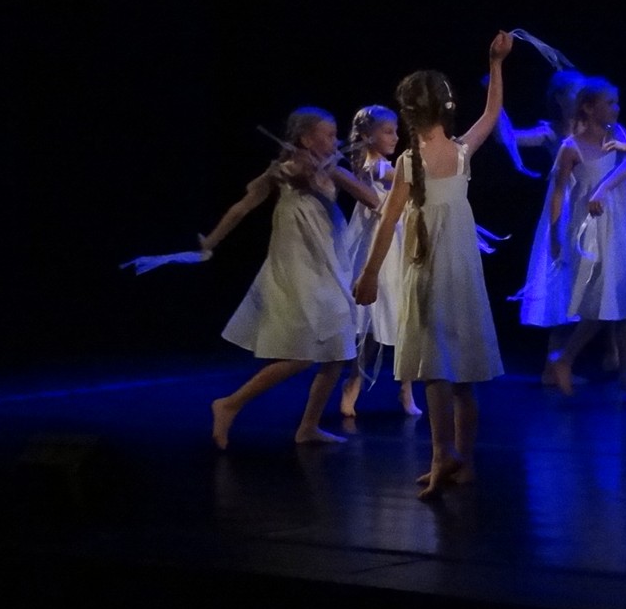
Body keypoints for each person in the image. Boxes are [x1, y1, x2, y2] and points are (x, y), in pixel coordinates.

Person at [354, 31, 513, 497]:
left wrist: (368, 274)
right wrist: (496, 63)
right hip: (459, 271)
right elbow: (493, 113)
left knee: (436, 369)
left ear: (408, 114)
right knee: (459, 374)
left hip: (430, 273)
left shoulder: (411, 161)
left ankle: (445, 456)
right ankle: (460, 459)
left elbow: (387, 222)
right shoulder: (458, 152)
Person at [207, 107, 381, 450]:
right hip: (298, 267)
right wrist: (210, 242)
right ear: (305, 139)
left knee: (337, 351)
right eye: (328, 136)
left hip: (328, 264)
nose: (335, 141)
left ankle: (308, 427)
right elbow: (243, 206)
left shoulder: (331, 168)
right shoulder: (287, 169)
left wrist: (336, 171)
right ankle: (229, 404)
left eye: (336, 135)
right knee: (302, 355)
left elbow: (372, 199)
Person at [542, 76, 626, 400]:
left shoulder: (618, 134)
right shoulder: (570, 147)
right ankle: (565, 357)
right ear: (588, 107)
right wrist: (554, 235)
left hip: (620, 226)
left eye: (616, 102)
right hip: (590, 232)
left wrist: (603, 187)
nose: (616, 108)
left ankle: (625, 377)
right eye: (609, 102)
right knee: (600, 305)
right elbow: (558, 193)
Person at [337, 104, 420, 418]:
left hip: (401, 244)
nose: (395, 137)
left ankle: (406, 389)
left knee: (406, 319)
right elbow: (399, 177)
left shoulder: (383, 164)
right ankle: (354, 382)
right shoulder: (374, 166)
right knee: (375, 324)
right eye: (388, 131)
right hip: (380, 250)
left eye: (396, 131)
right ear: (367, 136)